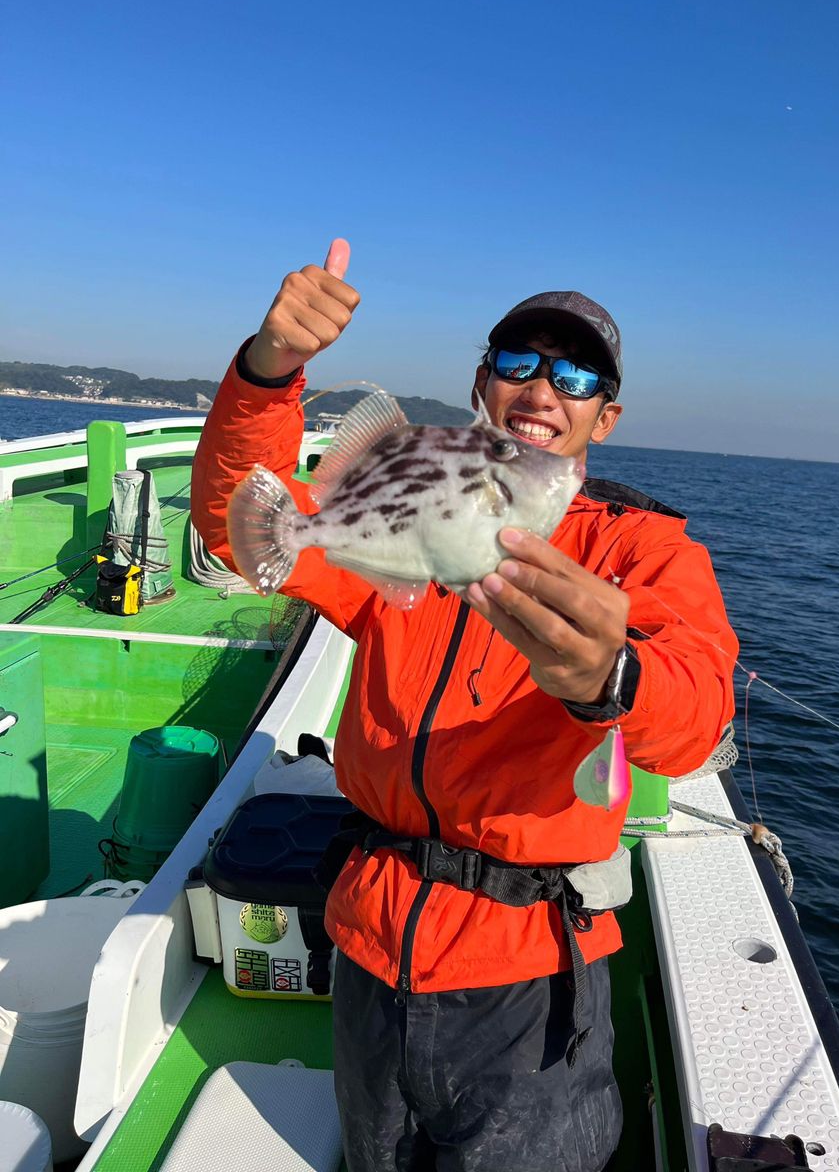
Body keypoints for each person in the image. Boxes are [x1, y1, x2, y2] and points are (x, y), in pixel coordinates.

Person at [192, 238, 738, 1172]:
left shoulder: (644, 550)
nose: (541, 389)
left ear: (604, 418)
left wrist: (612, 680)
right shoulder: (416, 504)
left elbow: (696, 717)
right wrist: (268, 369)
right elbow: (242, 527)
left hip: (527, 976)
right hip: (368, 941)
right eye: (518, 363)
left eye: (574, 375)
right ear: (484, 384)